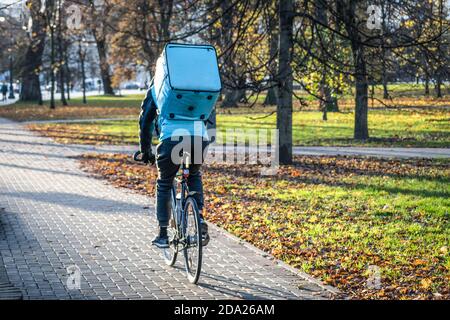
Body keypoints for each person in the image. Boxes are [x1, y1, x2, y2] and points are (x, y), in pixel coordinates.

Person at [138, 79, 210, 249]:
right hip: (199, 138)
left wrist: (145, 150)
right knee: (193, 174)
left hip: (171, 139)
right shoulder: (198, 85)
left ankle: (162, 234)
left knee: (164, 182)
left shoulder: (158, 88)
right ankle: (199, 216)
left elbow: (145, 121)